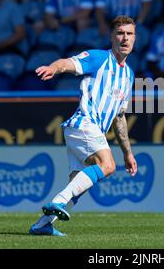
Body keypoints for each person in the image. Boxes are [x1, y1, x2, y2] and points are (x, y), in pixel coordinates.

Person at [29, 15, 137, 236]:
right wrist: (53, 67)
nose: (125, 38)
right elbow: (67, 63)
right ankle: (57, 202)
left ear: (135, 38)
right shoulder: (98, 58)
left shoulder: (128, 75)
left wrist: (128, 152)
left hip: (89, 131)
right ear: (112, 37)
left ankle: (42, 225)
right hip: (83, 124)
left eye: (130, 34)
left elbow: (119, 117)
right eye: (120, 33)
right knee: (108, 165)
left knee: (77, 188)